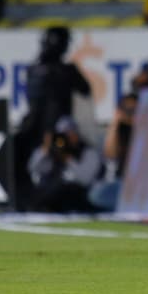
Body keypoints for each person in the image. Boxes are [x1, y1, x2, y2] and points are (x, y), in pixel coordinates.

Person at [13, 26, 90, 209]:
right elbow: (85, 90)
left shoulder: (35, 69)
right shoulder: (65, 71)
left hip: (40, 130)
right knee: (45, 169)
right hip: (51, 132)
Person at [27, 117, 102, 213]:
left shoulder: (88, 152)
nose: (65, 139)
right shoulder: (53, 152)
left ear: (76, 134)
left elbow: (86, 179)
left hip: (79, 196)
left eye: (68, 134)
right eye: (62, 135)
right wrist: (44, 149)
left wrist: (68, 159)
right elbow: (33, 168)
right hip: (54, 198)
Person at [88, 92, 137, 213]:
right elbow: (110, 153)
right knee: (98, 194)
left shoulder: (145, 130)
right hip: (116, 182)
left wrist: (139, 124)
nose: (130, 112)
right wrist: (116, 122)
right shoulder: (116, 130)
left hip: (136, 184)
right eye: (127, 109)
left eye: (134, 109)